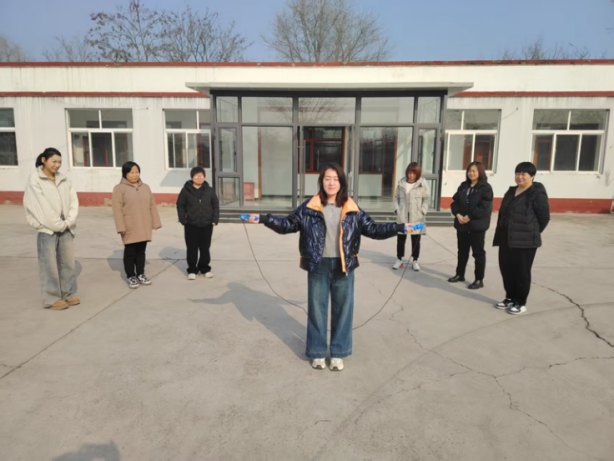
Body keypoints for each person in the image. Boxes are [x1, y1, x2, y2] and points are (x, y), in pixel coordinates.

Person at [244, 163, 412, 372]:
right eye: (327, 179)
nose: (331, 183)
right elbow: (287, 225)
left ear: (341, 182)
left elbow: (374, 229)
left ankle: (339, 353)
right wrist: (263, 219)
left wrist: (399, 227)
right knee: (317, 310)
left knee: (343, 311)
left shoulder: (352, 208)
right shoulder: (309, 207)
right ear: (321, 181)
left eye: (335, 179)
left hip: (344, 265)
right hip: (318, 265)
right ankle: (317, 352)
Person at [24, 148, 80, 310]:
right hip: (47, 229)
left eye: (59, 162)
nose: (57, 165)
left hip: (66, 227)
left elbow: (73, 202)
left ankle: (67, 294)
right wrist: (56, 224)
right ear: (44, 160)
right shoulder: (35, 179)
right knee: (48, 265)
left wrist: (68, 222)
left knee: (68, 263)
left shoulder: (64, 179)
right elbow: (40, 206)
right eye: (54, 161)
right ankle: (51, 298)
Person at [493, 162, 550, 315]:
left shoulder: (536, 194)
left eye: (524, 174)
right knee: (506, 269)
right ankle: (510, 297)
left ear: (532, 176)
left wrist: (531, 233)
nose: (520, 176)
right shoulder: (511, 192)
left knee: (521, 272)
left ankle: (520, 302)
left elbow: (544, 218)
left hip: (526, 241)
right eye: (518, 173)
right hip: (506, 239)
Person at [112, 161, 162, 289]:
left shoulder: (145, 187)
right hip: (129, 225)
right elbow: (117, 210)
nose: (135, 175)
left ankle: (140, 274)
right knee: (130, 252)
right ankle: (131, 276)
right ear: (125, 174)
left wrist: (155, 222)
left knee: (141, 251)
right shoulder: (119, 189)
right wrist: (121, 227)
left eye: (137, 172)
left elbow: (152, 205)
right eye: (132, 172)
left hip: (144, 225)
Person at [448, 162, 494, 289]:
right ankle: (460, 274)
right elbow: (454, 202)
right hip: (462, 225)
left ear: (480, 172)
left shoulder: (485, 188)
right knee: (462, 251)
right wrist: (458, 214)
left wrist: (469, 216)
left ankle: (479, 279)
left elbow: (485, 207)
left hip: (476, 226)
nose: (471, 173)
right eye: (469, 171)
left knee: (478, 253)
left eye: (474, 171)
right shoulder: (464, 186)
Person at [176, 167, 219, 280]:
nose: (199, 178)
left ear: (204, 177)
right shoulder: (186, 190)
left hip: (207, 224)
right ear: (192, 177)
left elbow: (215, 205)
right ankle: (192, 270)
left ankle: (205, 269)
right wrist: (183, 220)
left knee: (205, 248)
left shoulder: (209, 190)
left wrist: (214, 219)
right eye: (197, 176)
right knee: (192, 248)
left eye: (201, 176)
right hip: (191, 224)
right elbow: (180, 205)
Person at [393, 162, 430, 271]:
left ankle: (415, 261)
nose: (411, 175)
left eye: (414, 173)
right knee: (401, 239)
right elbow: (396, 197)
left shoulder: (422, 184)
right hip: (402, 217)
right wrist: (397, 210)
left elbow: (427, 199)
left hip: (417, 218)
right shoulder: (401, 183)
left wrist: (422, 211)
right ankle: (399, 260)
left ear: (417, 173)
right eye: (409, 172)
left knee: (416, 240)